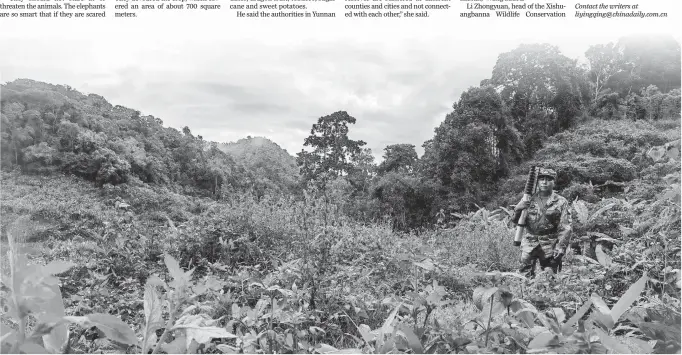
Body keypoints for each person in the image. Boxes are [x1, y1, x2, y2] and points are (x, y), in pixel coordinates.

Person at [512, 168, 572, 278]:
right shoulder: (528, 199)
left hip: (550, 244)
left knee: (551, 276)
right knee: (524, 276)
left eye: (549, 179)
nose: (544, 182)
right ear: (538, 181)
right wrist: (518, 208)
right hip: (530, 243)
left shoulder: (561, 202)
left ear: (554, 182)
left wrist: (561, 247)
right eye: (542, 179)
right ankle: (525, 295)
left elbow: (565, 227)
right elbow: (516, 221)